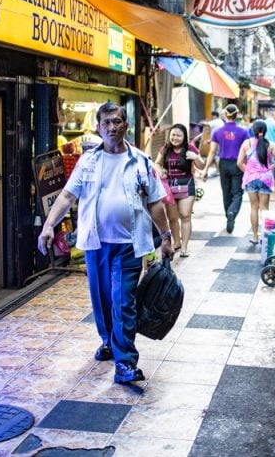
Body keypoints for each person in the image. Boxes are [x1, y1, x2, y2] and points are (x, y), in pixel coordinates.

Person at [37, 101, 174, 385]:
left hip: (128, 245)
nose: (112, 127)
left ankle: (125, 362)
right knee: (101, 299)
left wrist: (167, 237)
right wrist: (49, 225)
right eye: (106, 123)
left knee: (123, 301)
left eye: (117, 121)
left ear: (126, 125)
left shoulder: (140, 162)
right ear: (98, 127)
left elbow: (156, 204)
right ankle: (108, 341)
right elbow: (66, 197)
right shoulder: (88, 161)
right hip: (96, 243)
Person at [155, 124, 204, 258]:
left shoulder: (190, 148)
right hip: (170, 187)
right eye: (173, 135)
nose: (175, 138)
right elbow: (157, 163)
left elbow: (201, 165)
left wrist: (195, 157)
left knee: (185, 215)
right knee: (172, 218)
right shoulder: (165, 149)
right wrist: (160, 170)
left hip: (187, 185)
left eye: (179, 135)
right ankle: (176, 242)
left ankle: (184, 247)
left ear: (184, 137)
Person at [201, 103, 250, 233]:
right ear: (237, 115)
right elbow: (248, 152)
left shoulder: (218, 131)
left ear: (225, 115)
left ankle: (228, 214)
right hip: (238, 164)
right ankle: (232, 212)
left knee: (226, 192)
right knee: (237, 193)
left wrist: (205, 169)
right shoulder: (244, 132)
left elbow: (211, 152)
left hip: (223, 164)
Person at [238, 120, 275, 244]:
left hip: (251, 179)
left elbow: (239, 162)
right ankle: (265, 236)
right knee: (264, 208)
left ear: (253, 131)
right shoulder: (271, 145)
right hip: (266, 179)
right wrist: (272, 166)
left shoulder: (246, 143)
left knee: (254, 207)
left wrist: (247, 171)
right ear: (265, 131)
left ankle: (255, 236)